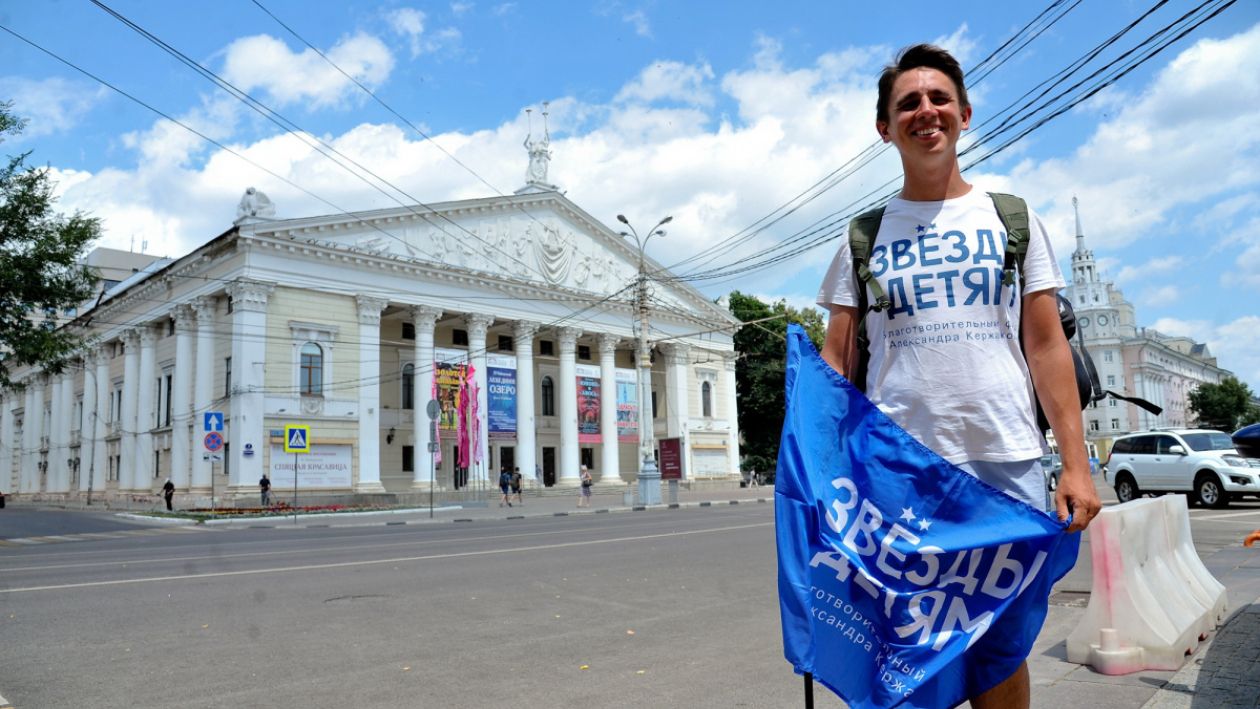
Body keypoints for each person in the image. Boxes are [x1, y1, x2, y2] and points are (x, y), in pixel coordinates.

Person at [816, 44, 1101, 709]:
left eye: (938, 98)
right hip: (899, 479)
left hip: (1005, 470)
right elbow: (837, 360)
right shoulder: (862, 237)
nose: (926, 111)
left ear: (965, 114)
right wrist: (823, 474)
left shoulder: (1012, 219)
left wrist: (1076, 463)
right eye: (907, 103)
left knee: (999, 651)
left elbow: (1046, 345)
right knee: (914, 649)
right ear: (885, 128)